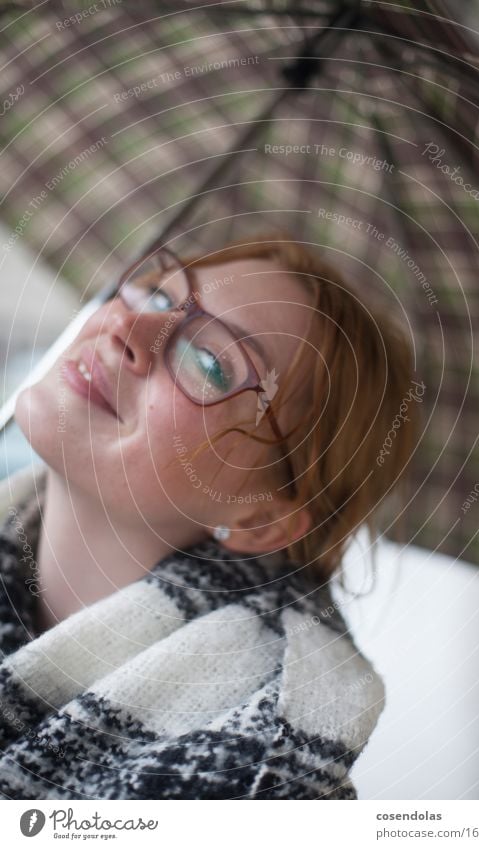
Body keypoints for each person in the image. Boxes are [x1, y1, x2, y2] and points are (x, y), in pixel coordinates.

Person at [0, 233, 418, 799]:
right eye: (153, 297)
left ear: (261, 519)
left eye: (209, 362)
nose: (127, 330)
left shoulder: (261, 780)